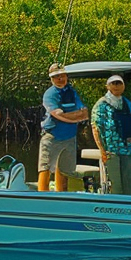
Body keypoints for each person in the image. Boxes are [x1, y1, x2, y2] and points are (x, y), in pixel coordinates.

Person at [38, 63, 89, 191]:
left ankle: (61, 195)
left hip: (70, 137)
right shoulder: (49, 94)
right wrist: (76, 115)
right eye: (56, 76)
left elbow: (85, 113)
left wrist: (69, 115)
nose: (60, 79)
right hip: (52, 136)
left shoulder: (72, 91)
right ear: (51, 79)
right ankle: (42, 196)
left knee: (64, 170)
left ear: (66, 76)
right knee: (46, 168)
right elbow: (58, 115)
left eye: (62, 75)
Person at [91, 74, 131, 195]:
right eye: (113, 83)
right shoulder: (101, 104)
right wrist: (102, 150)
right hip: (111, 151)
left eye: (119, 83)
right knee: (116, 185)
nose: (116, 86)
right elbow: (95, 128)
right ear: (107, 86)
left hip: (129, 150)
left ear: (124, 86)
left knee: (130, 186)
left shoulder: (128, 103)